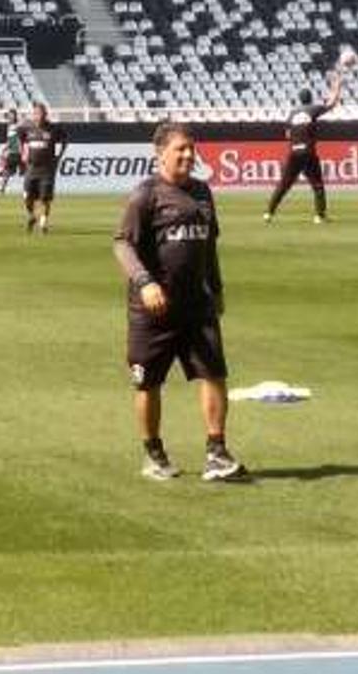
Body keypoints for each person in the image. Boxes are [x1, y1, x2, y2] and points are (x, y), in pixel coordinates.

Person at [114, 121, 245, 483]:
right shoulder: (146, 195)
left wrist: (216, 289)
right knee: (148, 382)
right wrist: (145, 282)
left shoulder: (203, 193)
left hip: (197, 305)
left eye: (192, 147)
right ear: (161, 154)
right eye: (180, 149)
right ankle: (154, 453)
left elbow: (209, 247)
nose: (189, 154)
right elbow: (122, 244)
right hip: (153, 310)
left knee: (214, 375)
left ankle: (217, 452)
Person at [264, 71, 345, 225]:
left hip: (294, 153)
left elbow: (287, 134)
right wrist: (337, 85)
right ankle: (319, 216)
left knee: (284, 184)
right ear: (311, 99)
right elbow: (332, 103)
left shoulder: (292, 113)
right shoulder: (313, 109)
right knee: (317, 185)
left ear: (299, 100)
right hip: (308, 153)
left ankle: (269, 213)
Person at [20, 102, 67, 234]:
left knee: (45, 198)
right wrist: (23, 153)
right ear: (33, 115)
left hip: (47, 170)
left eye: (41, 113)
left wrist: (59, 156)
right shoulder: (27, 127)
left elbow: (64, 141)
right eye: (36, 113)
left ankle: (43, 223)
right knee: (27, 197)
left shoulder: (53, 129)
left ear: (45, 115)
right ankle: (31, 216)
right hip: (31, 168)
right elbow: (21, 140)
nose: (39, 116)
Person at [0, 108, 24, 197]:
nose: (10, 117)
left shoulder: (18, 126)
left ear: (15, 116)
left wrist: (22, 151)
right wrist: (4, 149)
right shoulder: (9, 127)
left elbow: (20, 139)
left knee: (25, 172)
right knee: (7, 171)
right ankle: (1, 190)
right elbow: (10, 141)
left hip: (19, 152)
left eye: (12, 115)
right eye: (9, 115)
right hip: (12, 152)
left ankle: (29, 191)